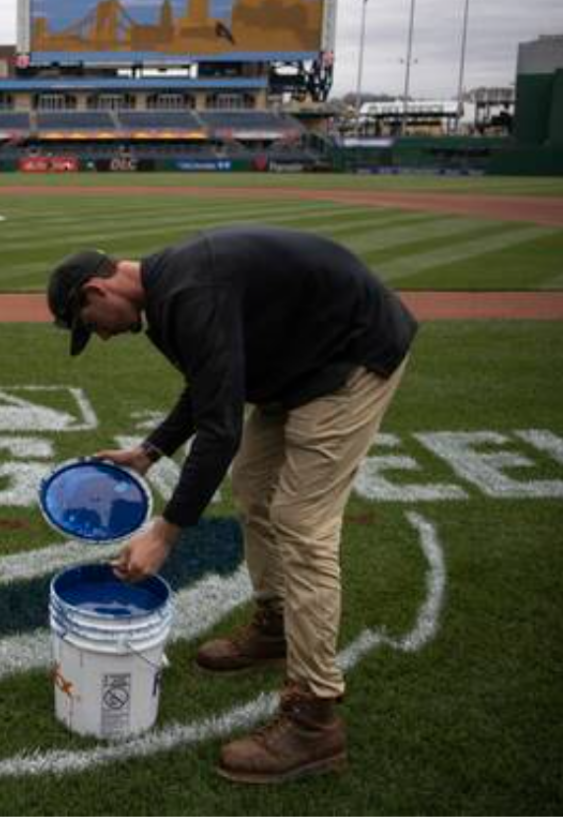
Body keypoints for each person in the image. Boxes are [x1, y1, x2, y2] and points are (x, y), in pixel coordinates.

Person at [46, 226, 416, 785]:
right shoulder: (171, 296)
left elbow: (220, 431)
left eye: (89, 326)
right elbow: (208, 387)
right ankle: (275, 625)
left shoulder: (188, 293)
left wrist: (165, 533)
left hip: (349, 359)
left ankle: (314, 719)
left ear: (98, 292)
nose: (100, 336)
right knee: (252, 483)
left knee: (302, 522)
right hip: (299, 364)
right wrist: (150, 451)